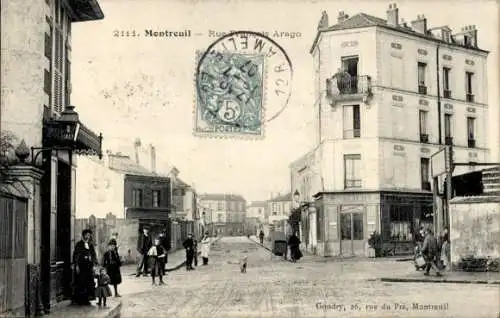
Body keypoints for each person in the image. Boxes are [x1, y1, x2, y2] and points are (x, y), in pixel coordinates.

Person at [72, 229, 98, 305]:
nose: (87, 237)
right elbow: (75, 255)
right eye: (86, 235)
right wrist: (76, 265)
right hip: (81, 267)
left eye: (89, 235)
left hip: (89, 267)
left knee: (89, 282)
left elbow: (93, 255)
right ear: (83, 235)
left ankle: (87, 299)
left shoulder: (90, 245)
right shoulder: (79, 244)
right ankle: (80, 299)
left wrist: (93, 265)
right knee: (81, 283)